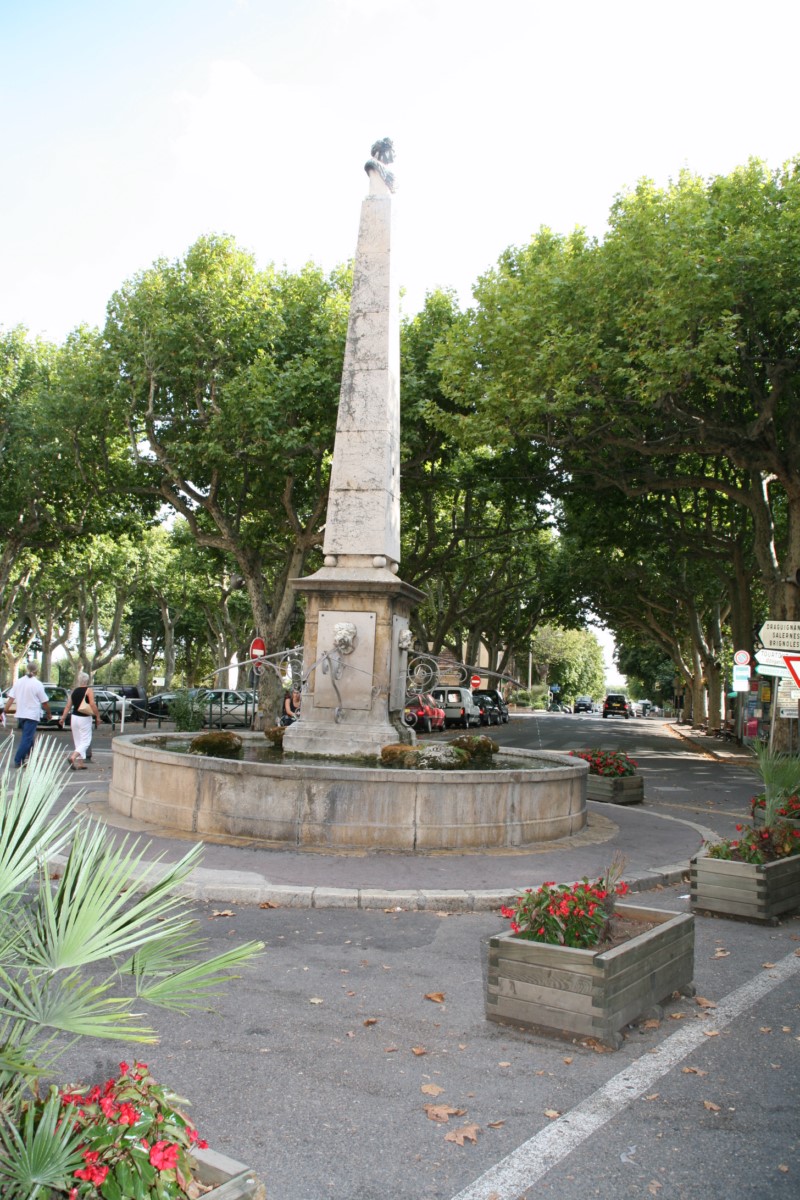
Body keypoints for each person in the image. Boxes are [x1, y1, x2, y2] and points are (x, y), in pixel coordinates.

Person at [6, 662, 52, 768]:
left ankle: (31, 756)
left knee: (29, 737)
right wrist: (49, 713)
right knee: (27, 738)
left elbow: (11, 698)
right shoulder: (37, 684)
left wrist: (4, 711)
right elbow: (44, 702)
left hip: (21, 714)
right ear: (37, 671)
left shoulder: (19, 682)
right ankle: (18, 759)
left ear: (27, 669)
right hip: (32, 714)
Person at [58, 671, 100, 770]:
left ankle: (80, 763)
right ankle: (73, 757)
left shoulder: (74, 691)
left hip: (74, 717)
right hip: (84, 718)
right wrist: (97, 716)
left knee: (78, 740)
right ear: (87, 681)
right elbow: (92, 704)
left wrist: (63, 718)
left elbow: (68, 706)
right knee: (86, 741)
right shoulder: (89, 690)